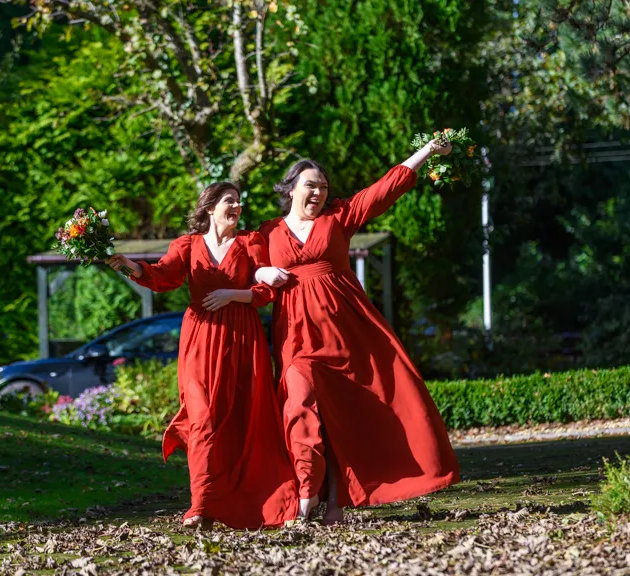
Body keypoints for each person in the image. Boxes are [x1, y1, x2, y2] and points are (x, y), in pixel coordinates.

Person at [256, 137, 460, 524]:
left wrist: (427, 152)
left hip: (347, 331)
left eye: (323, 186)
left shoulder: (340, 217)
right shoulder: (266, 233)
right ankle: (305, 491)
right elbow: (237, 265)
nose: (317, 192)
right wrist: (260, 271)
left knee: (344, 414)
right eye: (310, 185)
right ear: (290, 188)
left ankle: (334, 500)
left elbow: (385, 188)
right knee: (298, 401)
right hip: (297, 336)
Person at [107, 182, 298, 529]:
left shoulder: (250, 242)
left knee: (241, 416)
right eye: (230, 201)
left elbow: (265, 290)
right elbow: (163, 276)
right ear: (210, 207)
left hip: (242, 337)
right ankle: (201, 504)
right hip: (199, 338)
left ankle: (247, 500)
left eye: (239, 202)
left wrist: (230, 294)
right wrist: (128, 266)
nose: (237, 206)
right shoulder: (187, 244)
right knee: (202, 418)